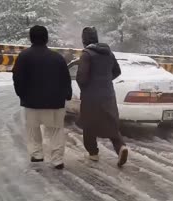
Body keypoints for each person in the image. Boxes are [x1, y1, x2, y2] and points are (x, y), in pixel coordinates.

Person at [12, 25, 72, 170]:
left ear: (30, 38)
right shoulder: (57, 58)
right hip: (55, 103)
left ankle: (37, 154)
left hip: (32, 103)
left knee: (33, 129)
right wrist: (67, 95)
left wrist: (22, 95)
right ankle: (57, 160)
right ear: (46, 38)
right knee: (56, 130)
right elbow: (66, 79)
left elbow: (17, 79)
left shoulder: (24, 56)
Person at [76, 26, 128, 167]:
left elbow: (82, 77)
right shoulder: (108, 53)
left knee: (89, 124)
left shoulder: (86, 54)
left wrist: (88, 86)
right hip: (108, 95)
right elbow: (117, 71)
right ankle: (121, 147)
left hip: (91, 97)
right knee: (111, 123)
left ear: (84, 40)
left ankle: (93, 153)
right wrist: (105, 81)